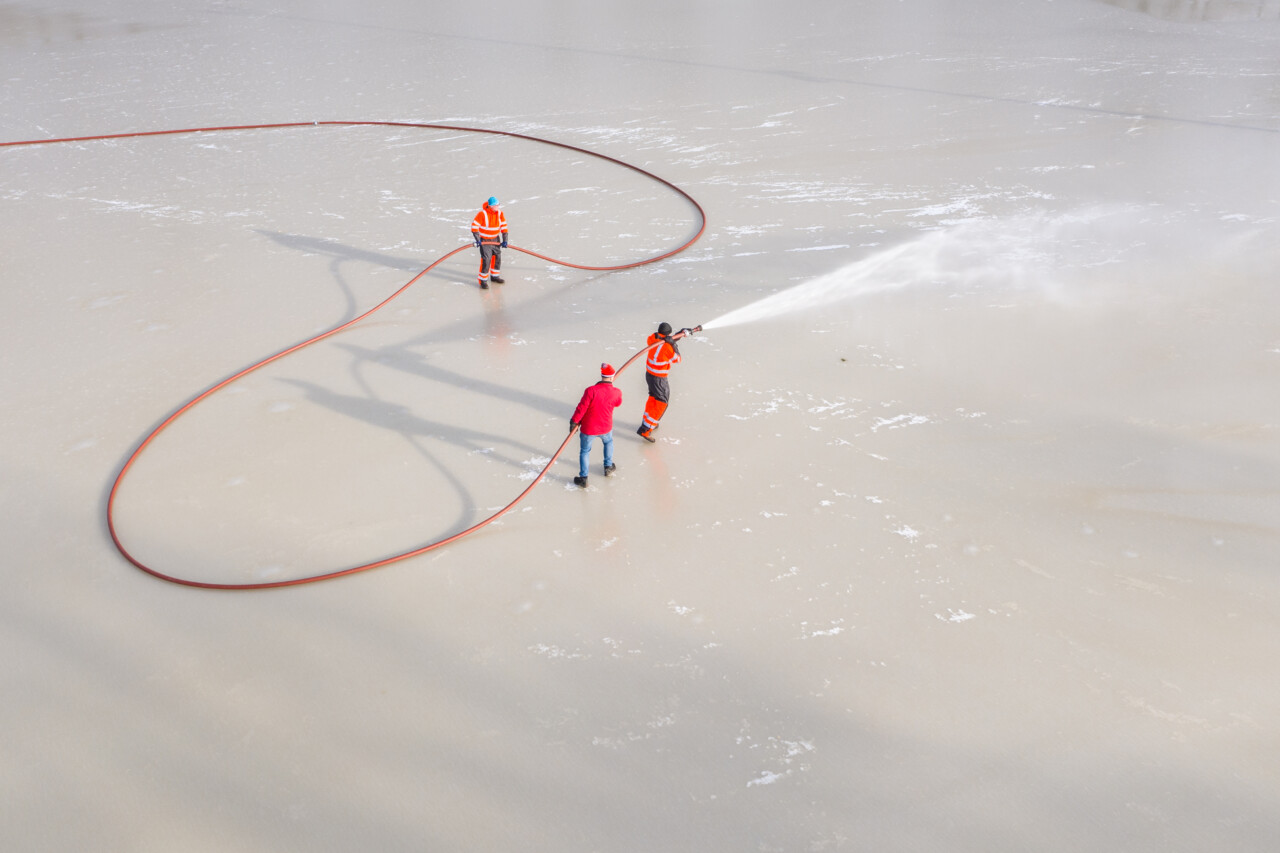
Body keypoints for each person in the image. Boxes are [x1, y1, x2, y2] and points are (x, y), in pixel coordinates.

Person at [570, 363, 623, 488]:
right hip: (606, 427)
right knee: (608, 442)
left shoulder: (591, 391)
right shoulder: (616, 392)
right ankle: (608, 467)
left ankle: (584, 478)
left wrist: (574, 421)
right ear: (612, 377)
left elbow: (581, 408)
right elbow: (618, 403)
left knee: (585, 451)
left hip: (589, 429)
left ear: (602, 375)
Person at [637, 321, 682, 442]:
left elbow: (662, 343)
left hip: (650, 376)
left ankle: (648, 422)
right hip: (659, 379)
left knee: (653, 399)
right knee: (662, 403)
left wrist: (677, 337)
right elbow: (677, 359)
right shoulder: (667, 347)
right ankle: (646, 430)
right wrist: (674, 344)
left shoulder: (652, 338)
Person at [470, 196, 508, 289]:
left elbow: (504, 227)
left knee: (497, 258)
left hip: (496, 240)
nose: (498, 206)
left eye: (499, 204)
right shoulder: (482, 214)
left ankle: (495, 277)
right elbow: (474, 227)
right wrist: (478, 239)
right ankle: (483, 280)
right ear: (491, 206)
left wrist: (505, 240)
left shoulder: (500, 214)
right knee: (486, 260)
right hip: (485, 241)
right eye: (496, 205)